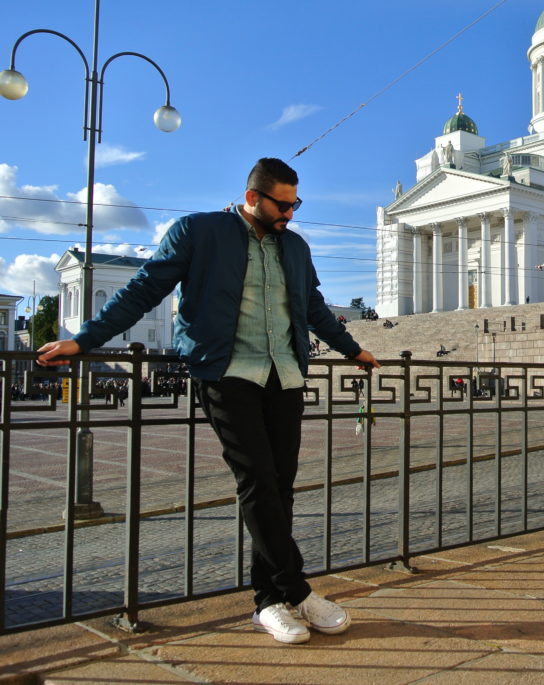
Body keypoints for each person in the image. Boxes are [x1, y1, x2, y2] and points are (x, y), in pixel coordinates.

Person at [37, 158, 380, 646]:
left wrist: (353, 350)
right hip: (227, 374)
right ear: (252, 198)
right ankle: (297, 591)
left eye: (295, 204)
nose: (290, 213)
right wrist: (84, 339)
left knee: (280, 488)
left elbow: (312, 310)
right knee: (257, 480)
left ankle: (269, 603)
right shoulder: (198, 232)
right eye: (282, 204)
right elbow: (143, 289)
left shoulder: (296, 247)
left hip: (285, 376)